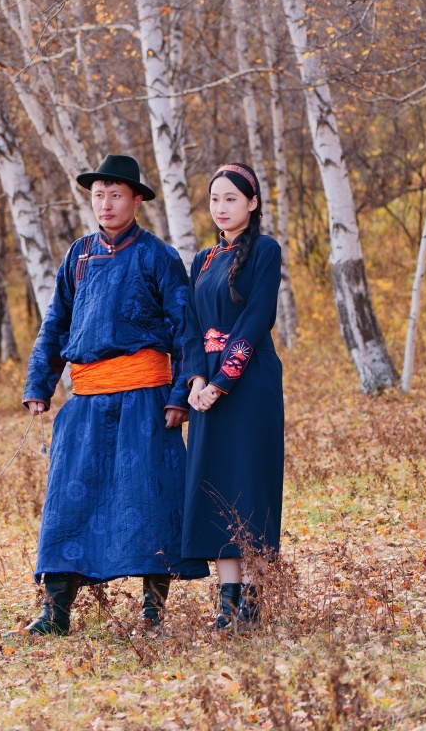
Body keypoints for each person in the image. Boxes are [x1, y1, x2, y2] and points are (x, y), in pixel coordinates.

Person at [15, 154, 209, 637]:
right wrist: (40, 383)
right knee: (68, 502)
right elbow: (55, 322)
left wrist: (179, 396)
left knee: (148, 498)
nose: (105, 203)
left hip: (146, 396)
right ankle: (55, 611)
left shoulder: (159, 257)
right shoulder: (77, 255)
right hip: (86, 400)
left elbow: (186, 329)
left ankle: (152, 611)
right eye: (98, 194)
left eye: (116, 194)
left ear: (137, 199)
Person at [182, 162, 284, 631]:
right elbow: (191, 330)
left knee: (251, 485)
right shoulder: (201, 260)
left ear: (253, 202)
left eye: (231, 199)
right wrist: (197, 383)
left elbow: (257, 318)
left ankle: (254, 602)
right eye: (215, 200)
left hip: (250, 386)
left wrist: (224, 380)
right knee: (214, 488)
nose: (221, 208)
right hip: (207, 394)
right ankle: (227, 606)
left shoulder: (265, 250)